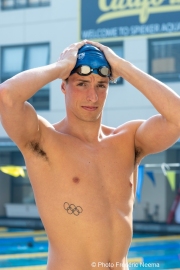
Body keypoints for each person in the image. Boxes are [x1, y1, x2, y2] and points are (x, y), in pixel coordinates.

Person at [0, 40, 180, 270]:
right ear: (63, 86)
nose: (92, 96)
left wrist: (123, 67)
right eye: (82, 84)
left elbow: (177, 117)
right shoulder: (43, 140)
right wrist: (61, 66)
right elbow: (7, 96)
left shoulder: (128, 140)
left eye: (101, 85)